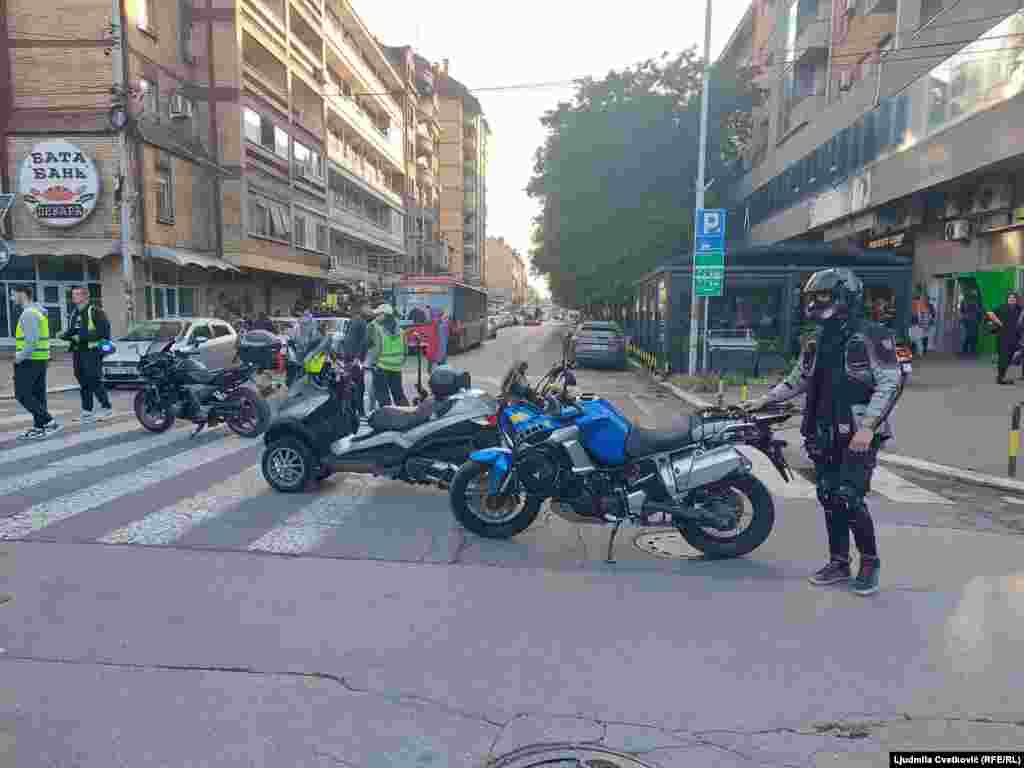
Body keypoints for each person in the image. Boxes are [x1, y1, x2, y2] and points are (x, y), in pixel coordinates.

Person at [742, 268, 903, 596]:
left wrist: (868, 428)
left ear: (846, 297)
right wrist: (764, 400)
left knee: (849, 496)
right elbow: (798, 379)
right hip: (823, 427)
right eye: (812, 297)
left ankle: (870, 562)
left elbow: (891, 382)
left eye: (823, 297)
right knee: (828, 496)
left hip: (858, 431)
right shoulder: (816, 340)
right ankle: (838, 562)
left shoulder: (874, 335)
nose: (815, 303)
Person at [11, 285, 61, 439]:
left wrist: (19, 357)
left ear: (22, 294)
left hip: (29, 361)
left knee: (22, 394)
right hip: (39, 360)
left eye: (13, 294)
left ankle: (49, 422)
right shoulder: (38, 312)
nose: (12, 298)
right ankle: (39, 427)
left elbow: (31, 341)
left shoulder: (29, 314)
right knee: (38, 395)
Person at [61, 286, 113, 422]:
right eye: (73, 295)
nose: (74, 297)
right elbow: (73, 331)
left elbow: (104, 332)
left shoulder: (95, 311)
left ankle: (106, 408)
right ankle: (87, 411)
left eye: (77, 294)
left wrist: (82, 337)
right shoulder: (74, 313)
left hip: (93, 351)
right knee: (82, 380)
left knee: (94, 379)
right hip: (78, 351)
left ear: (85, 297)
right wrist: (64, 335)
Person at [366, 303, 408, 407]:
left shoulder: (379, 331)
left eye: (378, 314)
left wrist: (373, 363)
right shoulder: (401, 331)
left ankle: (386, 417)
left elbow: (377, 349)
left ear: (384, 315)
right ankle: (406, 413)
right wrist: (400, 362)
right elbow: (406, 350)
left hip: (382, 366)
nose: (376, 317)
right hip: (397, 367)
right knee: (398, 393)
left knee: (383, 395)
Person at [341, 301, 372, 417]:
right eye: (367, 307)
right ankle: (356, 411)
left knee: (355, 385)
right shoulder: (357, 321)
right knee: (355, 385)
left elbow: (362, 342)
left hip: (352, 359)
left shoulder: (357, 321)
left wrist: (357, 358)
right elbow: (359, 342)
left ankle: (357, 411)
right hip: (352, 359)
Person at [986, 292, 1021, 384]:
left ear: (1016, 300)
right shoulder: (1002, 307)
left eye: (1014, 298)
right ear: (1007, 299)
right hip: (1003, 337)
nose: (1012, 299)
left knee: (1009, 358)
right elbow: (989, 313)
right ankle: (1000, 378)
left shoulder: (1019, 309)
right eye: (1010, 298)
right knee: (1003, 357)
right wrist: (999, 323)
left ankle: (1002, 376)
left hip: (1014, 337)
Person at [959, 292, 983, 357]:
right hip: (971, 321)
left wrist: (962, 318)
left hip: (970, 321)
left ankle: (967, 351)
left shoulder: (965, 301)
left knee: (969, 336)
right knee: (971, 336)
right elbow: (980, 312)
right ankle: (970, 351)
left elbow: (961, 311)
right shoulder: (976, 302)